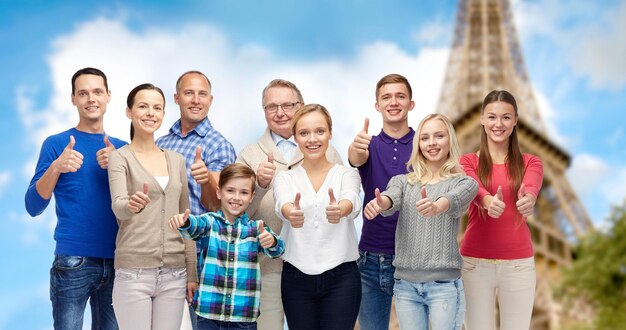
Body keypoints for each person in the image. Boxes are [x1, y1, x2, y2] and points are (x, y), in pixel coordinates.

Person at [236, 79, 343, 329]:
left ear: (301, 106)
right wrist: (260, 187)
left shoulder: (328, 151)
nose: (280, 113)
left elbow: (343, 205)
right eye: (272, 107)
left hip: (316, 268)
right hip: (267, 267)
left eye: (287, 105)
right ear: (263, 111)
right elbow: (237, 213)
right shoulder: (249, 155)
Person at [25, 67, 126, 329]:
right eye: (83, 93)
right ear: (73, 99)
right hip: (73, 262)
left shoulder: (123, 149)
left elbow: (140, 207)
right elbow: (32, 206)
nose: (91, 99)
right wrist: (56, 167)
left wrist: (119, 165)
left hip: (120, 262)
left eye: (96, 92)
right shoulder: (57, 144)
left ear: (108, 96)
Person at [364, 113, 477, 330]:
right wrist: (381, 203)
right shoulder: (402, 182)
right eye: (425, 138)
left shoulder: (464, 182)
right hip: (405, 286)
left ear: (450, 140)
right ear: (418, 144)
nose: (432, 143)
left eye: (439, 136)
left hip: (444, 286)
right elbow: (392, 196)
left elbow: (455, 198)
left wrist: (438, 205)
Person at [107, 83, 198, 329]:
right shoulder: (120, 157)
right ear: (129, 111)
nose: (151, 113)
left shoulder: (176, 160)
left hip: (175, 274)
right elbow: (118, 206)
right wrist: (132, 205)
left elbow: (186, 221)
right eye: (143, 106)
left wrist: (192, 272)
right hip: (134, 273)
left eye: (157, 108)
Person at [156, 70, 236, 329]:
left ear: (211, 100)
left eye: (202, 94)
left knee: (204, 324)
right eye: (189, 93)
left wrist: (207, 180)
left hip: (202, 255)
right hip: (161, 251)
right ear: (177, 98)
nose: (196, 100)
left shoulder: (218, 146)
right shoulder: (160, 143)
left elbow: (219, 206)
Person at [459, 90, 543, 330]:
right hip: (474, 264)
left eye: (506, 117)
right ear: (482, 119)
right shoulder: (467, 162)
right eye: (492, 117)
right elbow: (471, 185)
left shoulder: (531, 162)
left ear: (515, 120)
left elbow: (533, 183)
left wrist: (529, 198)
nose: (499, 124)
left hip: (519, 265)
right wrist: (486, 201)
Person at [274, 104, 362, 330]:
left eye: (320, 131)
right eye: (304, 133)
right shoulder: (285, 178)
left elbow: (351, 199)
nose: (312, 139)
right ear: (295, 137)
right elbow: (282, 203)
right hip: (296, 278)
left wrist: (340, 210)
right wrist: (290, 213)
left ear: (330, 133)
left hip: (342, 277)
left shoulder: (347, 174)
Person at [168, 163, 285, 330]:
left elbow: (278, 249)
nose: (236, 197)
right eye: (230, 190)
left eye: (243, 192)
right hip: (209, 317)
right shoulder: (209, 222)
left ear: (252, 197)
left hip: (243, 318)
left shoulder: (256, 229)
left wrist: (272, 242)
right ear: (218, 192)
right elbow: (194, 226)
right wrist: (184, 221)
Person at [347, 73, 416, 330]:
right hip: (371, 260)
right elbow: (355, 157)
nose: (393, 102)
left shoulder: (426, 146)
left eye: (400, 96)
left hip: (415, 259)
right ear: (377, 106)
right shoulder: (369, 145)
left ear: (411, 103)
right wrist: (355, 147)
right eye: (386, 97)